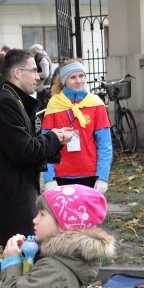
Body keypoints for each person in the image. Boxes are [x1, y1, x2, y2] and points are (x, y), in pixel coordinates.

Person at [0, 48, 74, 249]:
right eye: (34, 70)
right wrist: (54, 137)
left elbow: (27, 144)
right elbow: (24, 151)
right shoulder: (6, 103)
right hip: (14, 199)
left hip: (20, 191)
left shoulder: (15, 100)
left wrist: (54, 139)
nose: (38, 76)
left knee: (27, 256)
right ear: (17, 73)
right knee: (23, 256)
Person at [42, 58, 112, 192]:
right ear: (64, 81)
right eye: (72, 77)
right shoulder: (54, 105)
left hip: (90, 173)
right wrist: (49, 177)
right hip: (61, 174)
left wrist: (102, 176)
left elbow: (105, 144)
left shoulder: (96, 104)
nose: (78, 81)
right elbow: (46, 144)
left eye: (81, 76)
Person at [29, 44, 53, 108]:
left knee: (42, 107)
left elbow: (45, 74)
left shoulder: (43, 60)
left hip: (45, 87)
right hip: (43, 87)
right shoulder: (41, 58)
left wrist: (32, 74)